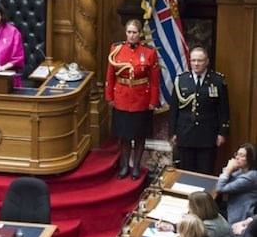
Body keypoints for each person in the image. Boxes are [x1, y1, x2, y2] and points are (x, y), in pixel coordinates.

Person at [105, 19, 160, 180]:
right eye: (129, 32)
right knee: (124, 136)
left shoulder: (149, 52)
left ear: (140, 33)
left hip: (141, 99)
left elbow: (155, 80)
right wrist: (109, 96)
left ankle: (135, 166)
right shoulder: (116, 49)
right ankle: (124, 166)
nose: (131, 35)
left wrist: (153, 101)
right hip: (121, 97)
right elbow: (110, 75)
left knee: (139, 135)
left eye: (134, 32)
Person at [169, 46, 229, 175]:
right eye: (193, 60)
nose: (196, 64)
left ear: (207, 61)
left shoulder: (217, 80)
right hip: (185, 134)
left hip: (207, 135)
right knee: (186, 173)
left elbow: (223, 109)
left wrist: (222, 132)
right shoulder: (181, 80)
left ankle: (203, 196)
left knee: (205, 172)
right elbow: (174, 109)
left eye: (200, 61)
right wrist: (172, 132)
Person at [156, 192, 233, 237]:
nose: (188, 207)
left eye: (190, 205)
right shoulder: (214, 215)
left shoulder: (210, 227)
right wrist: (172, 227)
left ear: (197, 208)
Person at [215, 143, 257, 224]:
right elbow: (224, 181)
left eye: (241, 156)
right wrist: (229, 170)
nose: (237, 158)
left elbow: (220, 188)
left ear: (251, 158)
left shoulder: (250, 177)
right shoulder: (241, 171)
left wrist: (228, 170)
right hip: (231, 207)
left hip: (240, 215)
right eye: (237, 154)